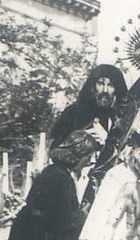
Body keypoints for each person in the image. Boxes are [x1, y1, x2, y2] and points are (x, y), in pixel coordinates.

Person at [50, 63, 129, 205]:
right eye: (101, 83)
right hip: (76, 179)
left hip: (108, 183)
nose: (105, 90)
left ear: (117, 89)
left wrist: (108, 142)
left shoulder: (121, 119)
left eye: (110, 85)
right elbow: (55, 149)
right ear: (93, 86)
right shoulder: (72, 113)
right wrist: (80, 140)